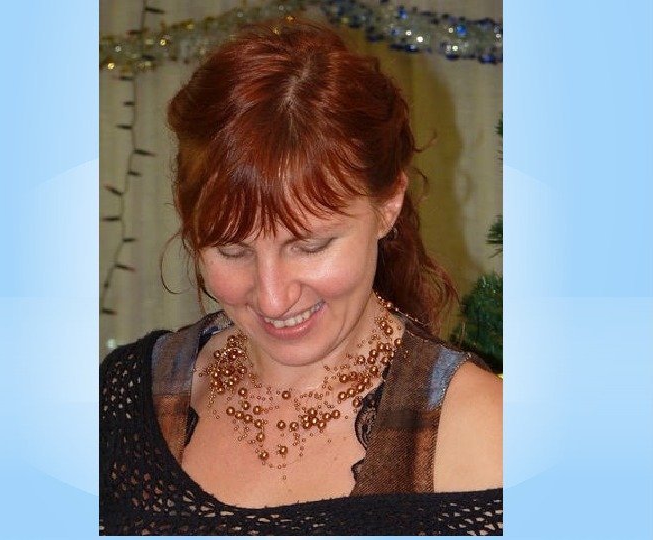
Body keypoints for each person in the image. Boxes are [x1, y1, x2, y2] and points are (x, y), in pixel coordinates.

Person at [100, 18, 502, 535]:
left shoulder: (484, 435)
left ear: (387, 206)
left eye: (309, 246)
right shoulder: (127, 400)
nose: (273, 298)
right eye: (232, 251)